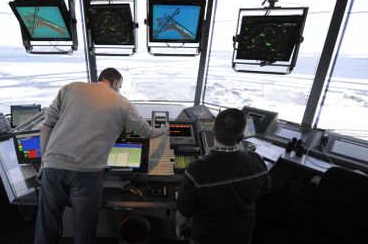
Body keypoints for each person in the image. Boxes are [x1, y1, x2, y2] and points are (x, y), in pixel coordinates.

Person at [34, 68, 168, 244]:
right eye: (120, 86)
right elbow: (148, 132)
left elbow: (46, 127)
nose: (119, 90)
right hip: (87, 174)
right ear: (114, 82)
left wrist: (45, 162)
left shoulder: (69, 88)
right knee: (84, 228)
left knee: (47, 225)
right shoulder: (122, 103)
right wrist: (165, 129)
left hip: (53, 168)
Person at [176, 108, 270, 244]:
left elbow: (185, 211)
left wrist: (179, 227)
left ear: (213, 129)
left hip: (206, 237)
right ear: (242, 134)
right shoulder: (257, 161)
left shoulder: (196, 170)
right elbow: (264, 190)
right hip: (242, 235)